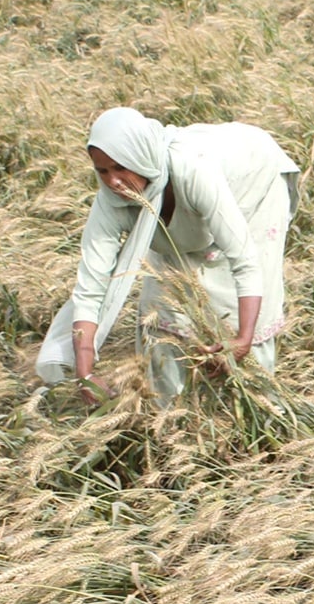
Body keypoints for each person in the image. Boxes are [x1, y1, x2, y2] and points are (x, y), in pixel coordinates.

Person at [36, 107, 299, 401]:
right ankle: (172, 404)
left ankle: (254, 397)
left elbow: (245, 260)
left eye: (120, 167)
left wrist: (243, 337)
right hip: (192, 203)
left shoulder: (194, 171)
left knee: (230, 298)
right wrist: (84, 373)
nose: (113, 182)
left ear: (140, 158)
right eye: (103, 171)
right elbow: (91, 286)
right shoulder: (111, 201)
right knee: (164, 303)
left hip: (252, 182)